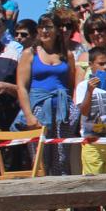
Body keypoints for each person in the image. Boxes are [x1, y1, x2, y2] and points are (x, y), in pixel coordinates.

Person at [15, 14, 78, 176]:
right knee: (40, 159)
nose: (44, 31)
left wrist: (74, 109)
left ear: (57, 30)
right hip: (39, 108)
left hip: (63, 111)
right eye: (41, 27)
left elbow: (72, 85)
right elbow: (21, 86)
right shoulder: (30, 53)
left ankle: (63, 200)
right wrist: (28, 115)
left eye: (48, 27)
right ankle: (42, 200)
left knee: (62, 159)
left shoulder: (67, 55)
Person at [74, 46, 106, 177]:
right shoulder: (83, 86)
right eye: (101, 64)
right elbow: (84, 112)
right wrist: (90, 91)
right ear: (91, 65)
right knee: (92, 182)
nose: (105, 67)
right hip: (92, 142)